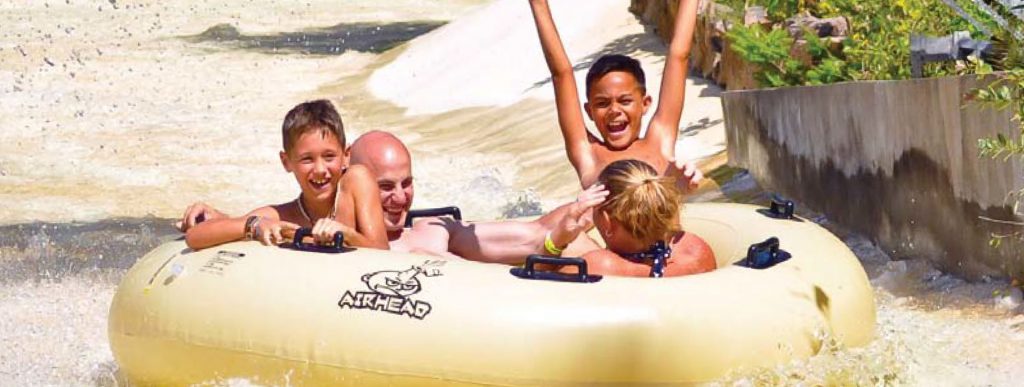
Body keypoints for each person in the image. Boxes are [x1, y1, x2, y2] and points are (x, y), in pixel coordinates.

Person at [528, 0, 704, 189]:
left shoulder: (659, 143)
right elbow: (561, 74)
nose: (614, 110)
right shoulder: (588, 154)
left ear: (645, 104)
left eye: (625, 101)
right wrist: (538, 4)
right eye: (603, 103)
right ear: (589, 111)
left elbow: (679, 55)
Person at [183, 100, 389, 250]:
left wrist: (348, 235)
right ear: (286, 162)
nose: (319, 169)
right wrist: (254, 225)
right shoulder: (284, 217)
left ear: (346, 156)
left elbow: (382, 253)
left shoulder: (356, 181)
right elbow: (194, 237)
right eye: (307, 159)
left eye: (329, 156)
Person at [557, 159, 716, 277]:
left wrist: (555, 242)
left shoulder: (599, 266)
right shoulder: (695, 249)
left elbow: (540, 287)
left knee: (574, 244)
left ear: (607, 221)